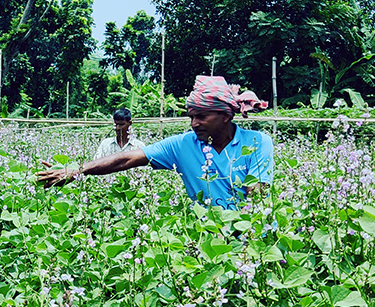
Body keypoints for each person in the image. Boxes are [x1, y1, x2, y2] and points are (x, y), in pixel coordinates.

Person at [37, 76, 273, 208]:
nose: (194, 124)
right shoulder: (182, 145)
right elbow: (126, 159)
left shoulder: (258, 142)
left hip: (250, 240)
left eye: (201, 117)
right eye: (191, 117)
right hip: (207, 238)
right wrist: (77, 171)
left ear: (225, 116)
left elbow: (257, 197)